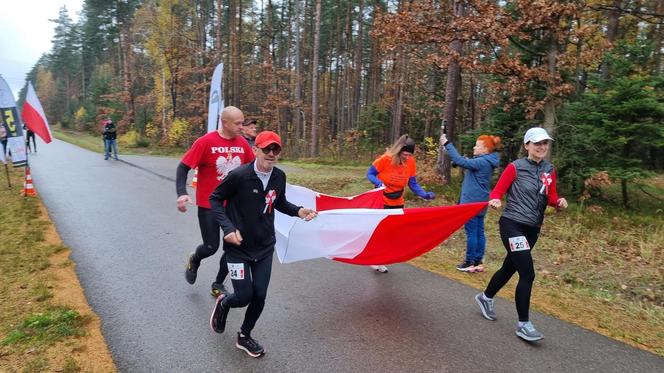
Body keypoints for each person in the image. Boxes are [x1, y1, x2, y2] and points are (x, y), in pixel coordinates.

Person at [209, 130, 317, 358]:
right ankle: (224, 303)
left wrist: (298, 210)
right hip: (238, 248)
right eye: (266, 148)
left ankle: (244, 335)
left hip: (265, 246)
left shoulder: (279, 176)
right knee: (243, 296)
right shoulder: (239, 175)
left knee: (259, 295)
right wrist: (228, 229)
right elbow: (215, 199)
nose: (270, 153)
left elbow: (278, 202)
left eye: (275, 149)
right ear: (255, 149)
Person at [474, 127, 568, 342]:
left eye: (545, 143)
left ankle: (485, 297)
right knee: (528, 273)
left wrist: (559, 202)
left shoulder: (549, 170)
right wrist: (496, 199)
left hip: (532, 229)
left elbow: (551, 197)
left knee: (509, 268)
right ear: (527, 146)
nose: (542, 147)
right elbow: (497, 191)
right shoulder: (515, 167)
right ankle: (523, 324)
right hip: (512, 225)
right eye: (537, 144)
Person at [176, 106, 255, 297]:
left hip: (234, 206)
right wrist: (181, 193)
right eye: (237, 123)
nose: (241, 126)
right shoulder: (205, 142)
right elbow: (183, 167)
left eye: (242, 122)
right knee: (211, 247)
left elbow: (252, 170)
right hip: (209, 205)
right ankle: (195, 259)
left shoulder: (243, 143)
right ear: (224, 122)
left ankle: (218, 283)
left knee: (234, 247)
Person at [366, 135, 436, 273]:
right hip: (382, 200)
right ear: (398, 151)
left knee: (393, 233)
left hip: (397, 201)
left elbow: (412, 183)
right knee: (381, 231)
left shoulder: (410, 162)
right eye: (404, 154)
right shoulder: (385, 159)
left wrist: (424, 194)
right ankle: (375, 259)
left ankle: (381, 258)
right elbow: (370, 173)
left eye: (409, 155)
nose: (407, 158)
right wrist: (378, 182)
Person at [440, 133, 501, 273]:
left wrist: (447, 144)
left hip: (471, 203)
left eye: (477, 145)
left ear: (485, 149)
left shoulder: (482, 162)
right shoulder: (486, 161)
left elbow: (461, 161)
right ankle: (478, 261)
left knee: (472, 232)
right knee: (479, 232)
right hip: (481, 202)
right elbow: (463, 162)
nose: (474, 147)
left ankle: (469, 262)